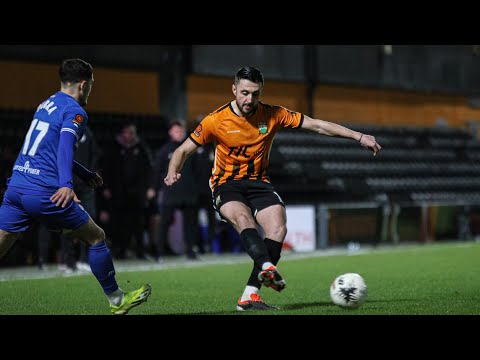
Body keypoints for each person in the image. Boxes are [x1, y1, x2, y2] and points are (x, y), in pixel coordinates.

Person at [164, 66, 381, 311]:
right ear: (234, 89)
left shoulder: (273, 114)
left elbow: (316, 125)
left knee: (278, 227)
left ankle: (249, 296)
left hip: (258, 182)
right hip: (226, 184)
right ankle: (267, 266)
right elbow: (182, 150)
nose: (249, 99)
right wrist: (173, 171)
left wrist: (359, 136)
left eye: (255, 94)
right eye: (244, 93)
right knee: (243, 218)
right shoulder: (216, 120)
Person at [0, 58, 151, 315]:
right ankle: (117, 300)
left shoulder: (46, 103)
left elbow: (46, 150)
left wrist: (83, 172)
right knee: (96, 237)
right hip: (45, 191)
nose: (91, 89)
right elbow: (64, 147)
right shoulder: (75, 111)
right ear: (83, 84)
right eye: (91, 84)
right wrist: (67, 184)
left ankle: (63, 229)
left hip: (16, 188)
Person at [153, 120, 199, 260]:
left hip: (188, 192)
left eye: (180, 131)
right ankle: (159, 252)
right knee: (165, 222)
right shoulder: (164, 151)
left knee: (190, 224)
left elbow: (197, 170)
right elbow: (157, 171)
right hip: (171, 192)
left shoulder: (190, 150)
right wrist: (153, 188)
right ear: (170, 132)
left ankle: (190, 251)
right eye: (176, 131)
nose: (179, 134)